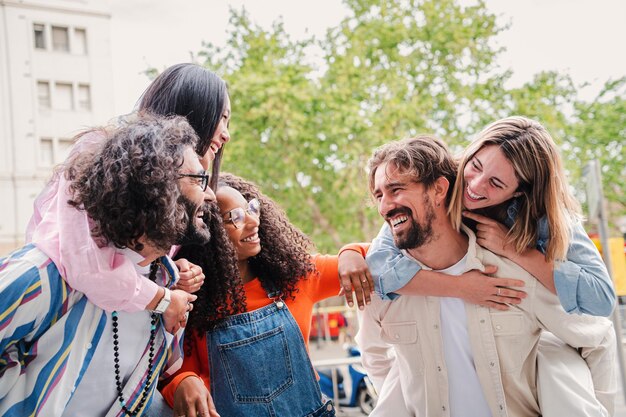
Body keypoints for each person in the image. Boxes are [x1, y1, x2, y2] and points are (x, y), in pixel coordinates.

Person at [353, 135, 616, 416]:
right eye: (379, 194)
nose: (475, 185)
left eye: (395, 189)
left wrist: (517, 253)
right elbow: (373, 355)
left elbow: (597, 330)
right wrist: (350, 253)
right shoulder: (384, 281)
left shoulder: (516, 270)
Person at [0, 114, 215, 416]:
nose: (210, 194)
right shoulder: (44, 276)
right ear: (157, 189)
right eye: (198, 179)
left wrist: (183, 378)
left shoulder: (169, 284)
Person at [25, 63, 231, 331]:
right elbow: (83, 261)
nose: (226, 134)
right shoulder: (101, 154)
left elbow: (133, 260)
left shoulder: (184, 185)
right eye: (222, 118)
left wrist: (169, 270)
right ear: (195, 109)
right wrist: (161, 298)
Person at [345, 116, 615, 317]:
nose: (474, 186)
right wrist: (461, 287)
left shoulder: (545, 216)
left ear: (520, 192)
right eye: (475, 166)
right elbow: (381, 265)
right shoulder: (442, 181)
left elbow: (601, 298)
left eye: (496, 183)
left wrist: (514, 249)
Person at [159, 173, 363, 417]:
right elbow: (174, 374)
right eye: (235, 217)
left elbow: (383, 256)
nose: (254, 221)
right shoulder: (193, 301)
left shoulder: (296, 277)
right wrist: (182, 382)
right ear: (206, 232)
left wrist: (352, 251)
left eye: (251, 208)